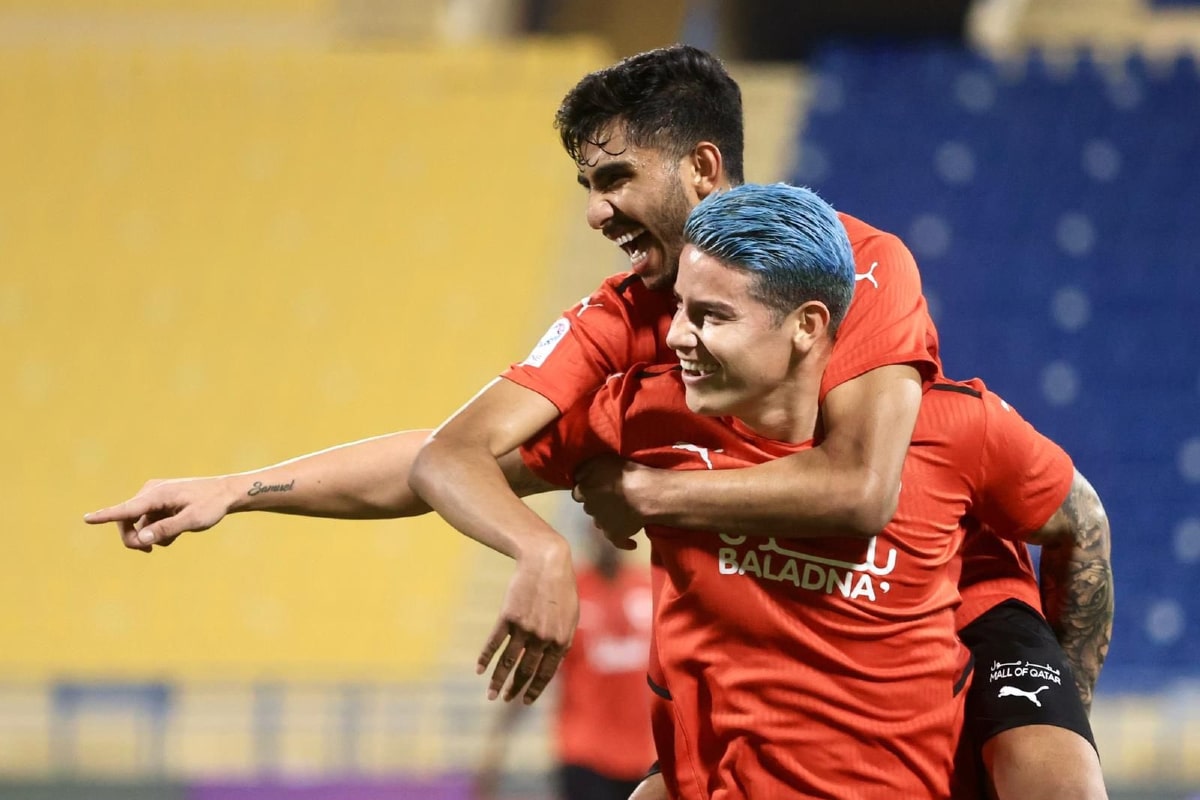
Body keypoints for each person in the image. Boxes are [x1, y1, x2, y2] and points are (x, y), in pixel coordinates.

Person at [84, 44, 1111, 798]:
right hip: (775, 708)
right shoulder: (628, 338)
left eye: (615, 177)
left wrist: (646, 493)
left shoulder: (859, 268)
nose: (594, 214)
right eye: (585, 184)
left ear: (704, 171)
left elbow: (861, 490)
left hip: (961, 607)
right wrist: (242, 487)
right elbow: (446, 454)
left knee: (1049, 769)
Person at [497, 182, 1094, 798]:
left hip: (977, 624)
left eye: (710, 315)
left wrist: (1064, 705)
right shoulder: (649, 416)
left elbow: (1081, 522)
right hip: (719, 752)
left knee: (1056, 775)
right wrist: (530, 539)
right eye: (679, 308)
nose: (676, 336)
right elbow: (445, 461)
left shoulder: (948, 423)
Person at [475, 515, 656, 800]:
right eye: (597, 530)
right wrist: (494, 752)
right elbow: (530, 672)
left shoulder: (648, 589)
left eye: (609, 529)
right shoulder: (571, 593)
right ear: (587, 537)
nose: (605, 539)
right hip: (584, 753)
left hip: (643, 758)